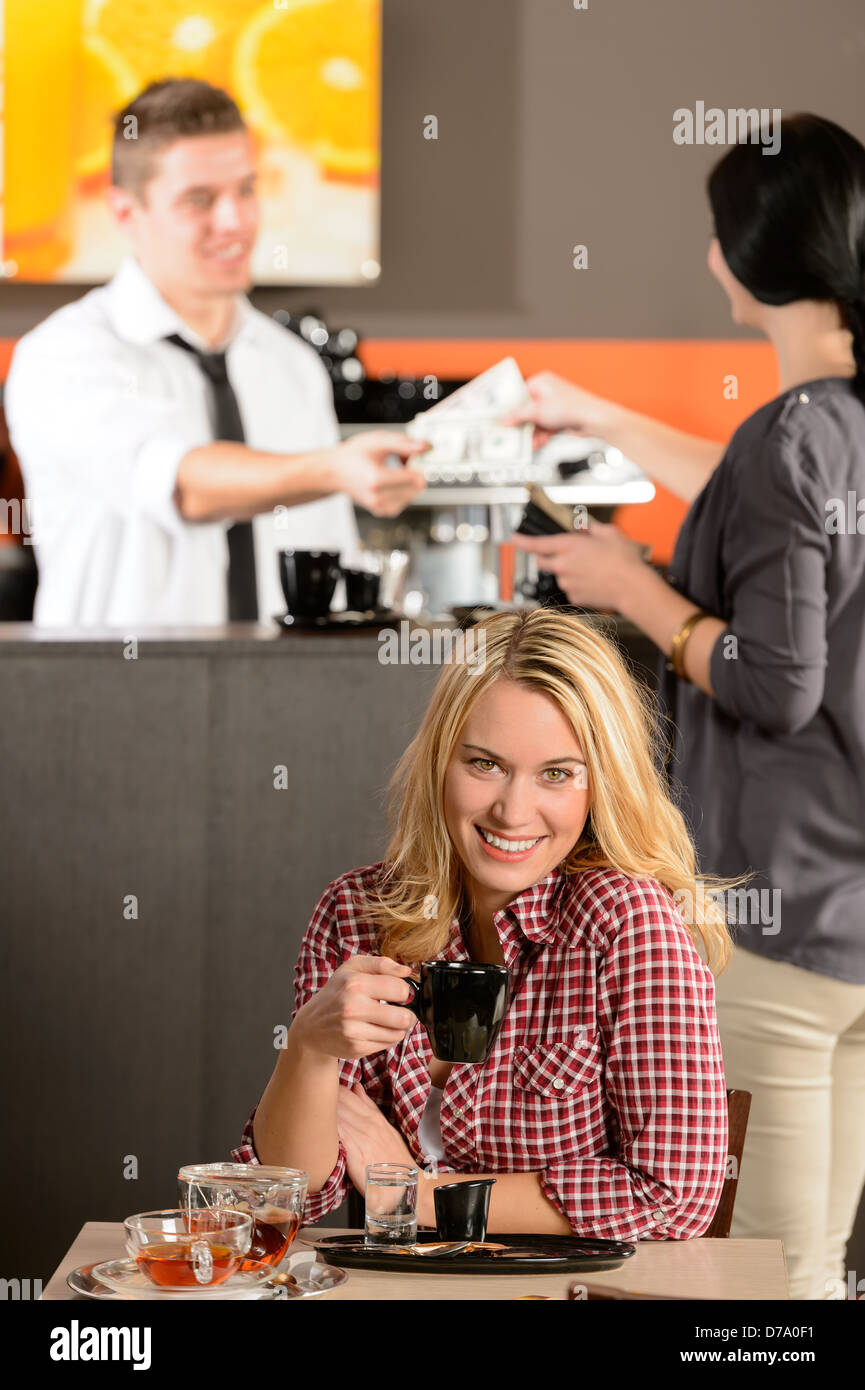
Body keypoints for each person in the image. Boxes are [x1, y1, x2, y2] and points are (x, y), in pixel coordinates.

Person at [506, 113, 865, 1299]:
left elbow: (774, 678)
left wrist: (630, 586)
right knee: (815, 1263)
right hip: (853, 921)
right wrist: (599, 416)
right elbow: (771, 505)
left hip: (779, 911)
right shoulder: (830, 430)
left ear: (744, 254)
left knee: (760, 1269)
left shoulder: (788, 440)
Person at [232, 607, 732, 1241]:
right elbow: (286, 1201)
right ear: (441, 760)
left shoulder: (628, 924)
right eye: (484, 764)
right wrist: (307, 1047)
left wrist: (417, 1197)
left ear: (599, 783)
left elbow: (676, 1195)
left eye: (557, 773)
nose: (513, 811)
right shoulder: (355, 912)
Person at [4, 79, 426, 628]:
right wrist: (333, 468)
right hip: (115, 699)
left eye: (246, 190)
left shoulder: (291, 366)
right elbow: (183, 486)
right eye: (199, 199)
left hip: (287, 697)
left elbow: (328, 556)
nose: (234, 221)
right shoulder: (64, 356)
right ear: (126, 211)